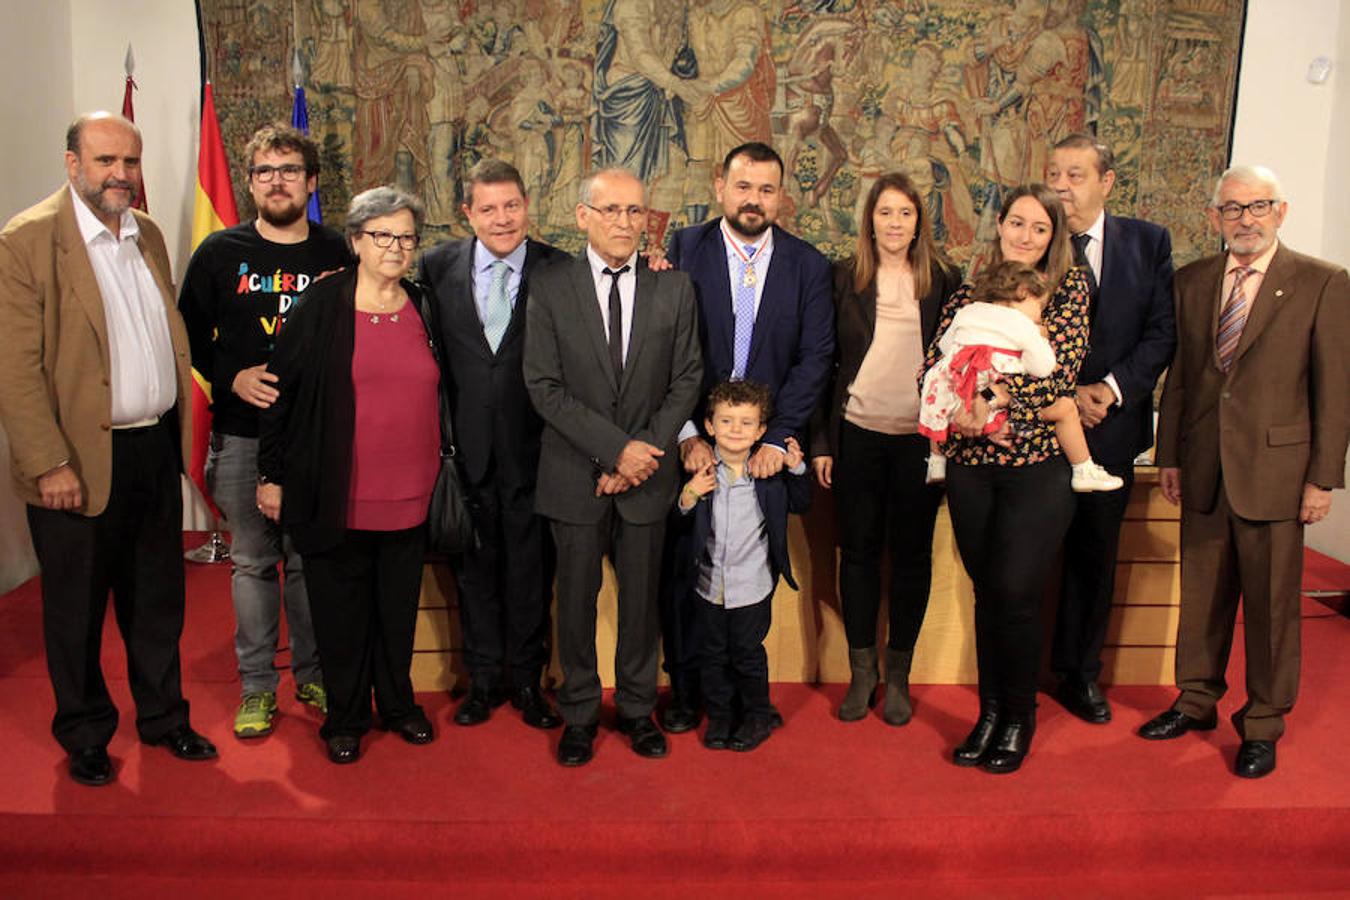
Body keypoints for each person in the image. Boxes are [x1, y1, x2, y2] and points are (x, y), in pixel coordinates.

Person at [0, 112, 216, 786]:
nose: (120, 174)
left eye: (130, 161)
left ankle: (164, 718)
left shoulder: (146, 233)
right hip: (76, 458)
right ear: (72, 164)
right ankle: (87, 732)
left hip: (153, 448)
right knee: (76, 604)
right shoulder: (28, 241)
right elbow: (14, 367)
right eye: (104, 162)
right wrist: (48, 462)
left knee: (157, 598)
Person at [1139, 165, 1349, 779]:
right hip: (1205, 466)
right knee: (1202, 597)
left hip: (1278, 474)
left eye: (1258, 207)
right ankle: (1197, 699)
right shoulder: (1193, 281)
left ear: (1280, 212)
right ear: (1215, 219)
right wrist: (1169, 456)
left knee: (1271, 606)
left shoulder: (1321, 283)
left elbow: (1336, 393)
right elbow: (1181, 380)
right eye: (1232, 209)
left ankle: (1262, 723)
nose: (1245, 219)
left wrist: (1322, 479)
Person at [523, 168, 703, 767]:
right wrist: (613, 451)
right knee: (574, 602)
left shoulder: (673, 288)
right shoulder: (549, 287)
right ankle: (578, 712)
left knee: (641, 603)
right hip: (573, 473)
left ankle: (634, 708)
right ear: (583, 216)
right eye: (611, 211)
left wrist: (639, 456)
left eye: (635, 212)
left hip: (647, 478)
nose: (625, 223)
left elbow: (686, 380)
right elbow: (544, 387)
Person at [257, 186, 440, 764]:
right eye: (382, 235)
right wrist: (271, 473)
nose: (395, 246)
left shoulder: (423, 303)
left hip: (412, 491)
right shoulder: (322, 304)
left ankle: (399, 704)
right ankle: (346, 715)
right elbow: (279, 393)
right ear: (356, 240)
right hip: (338, 490)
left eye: (406, 236)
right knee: (341, 611)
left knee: (396, 607)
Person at [179, 123, 350, 739]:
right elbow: (188, 338)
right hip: (244, 434)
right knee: (252, 563)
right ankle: (256, 686)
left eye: (289, 170)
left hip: (316, 436)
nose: (277, 181)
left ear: (310, 182)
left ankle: (312, 671)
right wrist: (233, 378)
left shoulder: (337, 253)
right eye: (264, 172)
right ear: (251, 183)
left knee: (308, 561)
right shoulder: (219, 253)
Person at [661, 141, 834, 734]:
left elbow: (815, 358)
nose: (753, 199)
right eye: (743, 186)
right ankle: (688, 696)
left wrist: (774, 436)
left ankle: (746, 705)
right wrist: (688, 432)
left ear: (780, 196)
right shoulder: (680, 251)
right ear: (720, 186)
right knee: (686, 573)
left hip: (765, 453)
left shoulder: (808, 265)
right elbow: (668, 351)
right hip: (695, 445)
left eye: (766, 189)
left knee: (747, 577)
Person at [921, 184, 1091, 774]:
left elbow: (1058, 377)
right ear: (999, 224)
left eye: (1039, 228)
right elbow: (935, 360)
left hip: (1035, 471)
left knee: (1017, 594)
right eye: (1016, 223)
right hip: (971, 468)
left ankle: (1019, 717)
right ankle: (990, 712)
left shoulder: (1065, 292)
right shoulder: (973, 290)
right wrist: (956, 406)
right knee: (987, 591)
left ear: (1053, 238)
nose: (1025, 236)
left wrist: (988, 397)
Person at [809, 172, 961, 725]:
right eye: (885, 213)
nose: (894, 223)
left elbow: (959, 364)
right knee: (859, 554)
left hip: (920, 442)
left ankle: (899, 675)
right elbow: (824, 363)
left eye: (905, 213)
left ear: (919, 221)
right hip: (858, 435)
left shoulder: (944, 278)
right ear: (869, 220)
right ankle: (862, 672)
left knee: (913, 558)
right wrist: (821, 442)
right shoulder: (843, 278)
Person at [420, 160, 566, 730]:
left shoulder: (561, 271)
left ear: (527, 205)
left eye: (511, 206)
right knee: (474, 573)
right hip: (464, 456)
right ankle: (482, 681)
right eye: (488, 209)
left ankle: (529, 681)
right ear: (468, 213)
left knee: (532, 573)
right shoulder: (435, 268)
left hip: (538, 454)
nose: (502, 219)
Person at [1044, 134, 1176, 725]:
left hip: (1113, 427)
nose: (1062, 186)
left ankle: (1079, 673)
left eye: (1075, 174)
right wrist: (1066, 396)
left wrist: (1109, 390)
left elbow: (1161, 333)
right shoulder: (1032, 237)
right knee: (1031, 555)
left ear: (1107, 182)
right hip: (1041, 428)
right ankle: (1021, 672)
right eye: (1054, 174)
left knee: (1094, 559)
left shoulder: (1147, 243)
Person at [676, 381, 810, 752]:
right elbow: (681, 520)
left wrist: (797, 468)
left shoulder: (768, 477)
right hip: (709, 584)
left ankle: (756, 715)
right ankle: (720, 717)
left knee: (748, 654)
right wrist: (689, 495)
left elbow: (801, 503)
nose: (736, 430)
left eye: (746, 423)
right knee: (713, 654)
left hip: (752, 586)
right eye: (727, 421)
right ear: (709, 426)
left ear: (761, 430)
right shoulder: (702, 474)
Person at [919, 260, 1122, 493]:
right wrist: (1041, 338)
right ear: (1022, 294)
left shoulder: (967, 310)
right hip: (997, 385)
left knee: (936, 396)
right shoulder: (1023, 325)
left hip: (956, 382)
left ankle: (936, 461)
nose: (1040, 313)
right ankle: (1083, 468)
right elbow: (1044, 367)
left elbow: (945, 347)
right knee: (1066, 409)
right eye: (1039, 304)